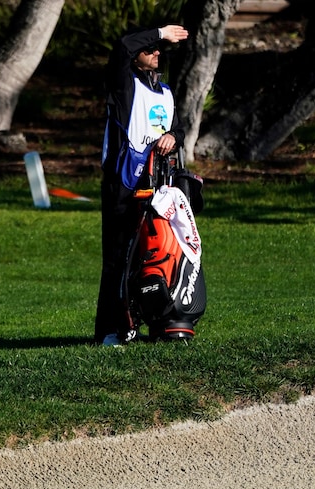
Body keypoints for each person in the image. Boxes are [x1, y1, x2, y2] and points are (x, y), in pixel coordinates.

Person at [95, 24, 189, 347]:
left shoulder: (166, 92)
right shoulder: (124, 86)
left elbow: (178, 129)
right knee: (118, 261)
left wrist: (172, 137)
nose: (157, 53)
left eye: (158, 48)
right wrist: (160, 32)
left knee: (151, 258)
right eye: (150, 49)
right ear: (137, 58)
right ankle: (109, 332)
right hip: (123, 188)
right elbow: (122, 46)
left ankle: (152, 324)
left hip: (159, 190)